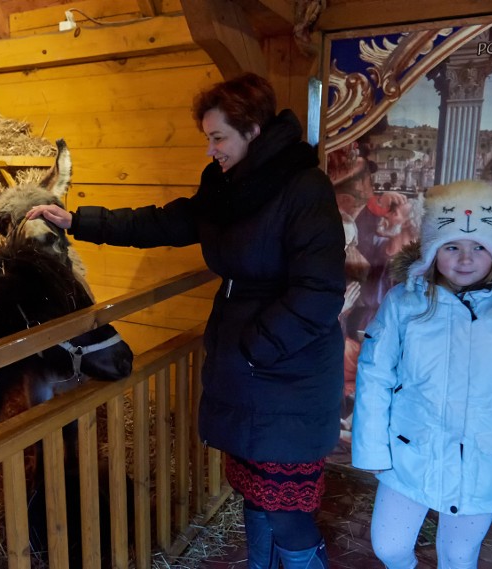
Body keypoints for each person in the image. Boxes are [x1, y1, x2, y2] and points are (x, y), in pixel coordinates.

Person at [27, 72, 346, 568]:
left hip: (289, 372)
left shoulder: (304, 188)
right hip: (248, 369)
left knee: (286, 507)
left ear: (254, 130)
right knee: (256, 493)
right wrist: (81, 221)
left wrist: (256, 348)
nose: (210, 150)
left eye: (218, 137)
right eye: (207, 138)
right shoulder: (226, 188)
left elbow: (321, 292)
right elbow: (162, 222)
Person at [352, 180, 492, 569]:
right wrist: (372, 448)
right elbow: (375, 377)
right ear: (431, 249)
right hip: (410, 453)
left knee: (458, 557)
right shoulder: (404, 303)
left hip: (482, 460)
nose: (465, 258)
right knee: (389, 547)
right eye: (451, 245)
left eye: (479, 246)